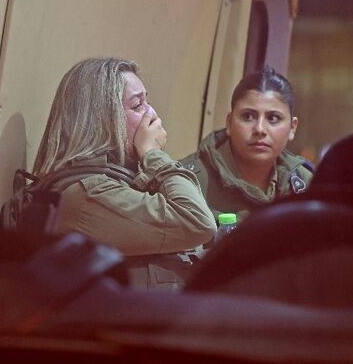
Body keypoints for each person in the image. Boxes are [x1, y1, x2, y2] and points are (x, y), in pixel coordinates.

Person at [33, 57, 217, 289]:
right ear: (102, 119)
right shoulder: (89, 194)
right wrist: (153, 153)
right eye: (138, 106)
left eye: (147, 102)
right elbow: (197, 222)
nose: (153, 114)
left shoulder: (119, 177)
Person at [181, 66, 314, 220]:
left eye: (273, 118)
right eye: (248, 116)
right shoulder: (187, 181)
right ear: (229, 123)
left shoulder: (304, 184)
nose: (259, 129)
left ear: (292, 127)